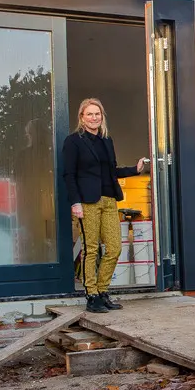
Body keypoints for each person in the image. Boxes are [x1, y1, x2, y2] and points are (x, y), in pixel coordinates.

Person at [62, 98, 149, 312]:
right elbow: (68, 174)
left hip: (109, 200)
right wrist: (75, 202)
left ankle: (102, 290)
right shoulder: (73, 141)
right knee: (90, 249)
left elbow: (112, 171)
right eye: (89, 114)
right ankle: (92, 296)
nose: (94, 118)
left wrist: (134, 170)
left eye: (97, 114)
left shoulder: (106, 141)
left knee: (114, 248)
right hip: (87, 202)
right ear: (82, 117)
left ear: (102, 117)